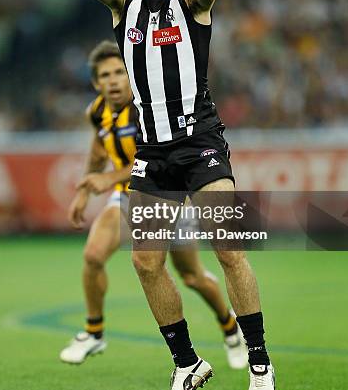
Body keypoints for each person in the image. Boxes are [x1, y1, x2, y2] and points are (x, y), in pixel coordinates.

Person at [76, 0, 275, 390]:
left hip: (200, 141)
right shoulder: (124, 3)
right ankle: (186, 363)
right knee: (145, 262)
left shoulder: (192, 1)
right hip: (152, 151)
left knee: (228, 249)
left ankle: (259, 359)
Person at [60, 40, 248, 370]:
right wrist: (85, 188)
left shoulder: (147, 110)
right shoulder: (97, 112)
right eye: (105, 75)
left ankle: (230, 329)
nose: (114, 80)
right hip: (126, 197)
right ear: (95, 82)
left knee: (191, 276)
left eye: (120, 72)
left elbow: (155, 160)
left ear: (131, 75)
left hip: (167, 195)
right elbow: (97, 150)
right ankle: (94, 331)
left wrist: (107, 178)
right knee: (92, 255)